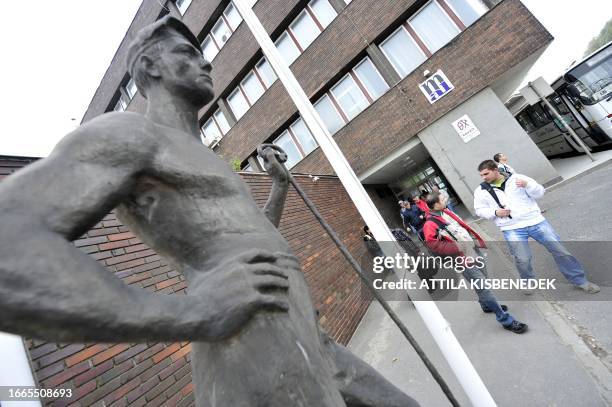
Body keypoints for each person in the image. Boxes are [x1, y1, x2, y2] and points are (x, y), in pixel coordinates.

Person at [0, 17, 418, 407]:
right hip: (256, 339)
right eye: (187, 52)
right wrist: (189, 314)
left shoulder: (206, 157)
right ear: (151, 65)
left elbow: (255, 240)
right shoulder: (129, 134)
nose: (205, 61)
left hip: (306, 333)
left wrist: (279, 184)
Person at [474, 160, 600, 294]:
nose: (484, 177)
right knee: (522, 259)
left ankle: (580, 281)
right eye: (481, 175)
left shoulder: (518, 178)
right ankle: (528, 282)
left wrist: (527, 185)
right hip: (511, 227)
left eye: (486, 174)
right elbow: (479, 210)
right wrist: (495, 213)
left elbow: (540, 192)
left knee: (561, 251)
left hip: (536, 222)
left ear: (495, 169)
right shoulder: (481, 190)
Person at [423, 192, 528, 333]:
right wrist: (457, 247)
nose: (445, 199)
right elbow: (433, 245)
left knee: (485, 279)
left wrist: (475, 240)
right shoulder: (430, 224)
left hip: (472, 250)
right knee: (483, 286)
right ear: (435, 204)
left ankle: (486, 304)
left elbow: (462, 227)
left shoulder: (445, 211)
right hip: (461, 258)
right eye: (442, 199)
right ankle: (505, 319)